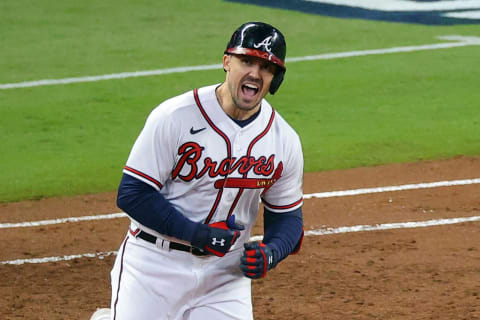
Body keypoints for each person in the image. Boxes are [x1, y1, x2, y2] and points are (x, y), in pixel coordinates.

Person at [105, 21, 304, 320]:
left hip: (225, 277)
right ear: (227, 62)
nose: (254, 73)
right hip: (154, 266)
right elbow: (133, 194)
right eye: (246, 61)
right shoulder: (175, 116)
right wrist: (198, 234)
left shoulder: (283, 140)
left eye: (266, 67)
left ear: (275, 78)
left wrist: (271, 252)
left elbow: (288, 219)